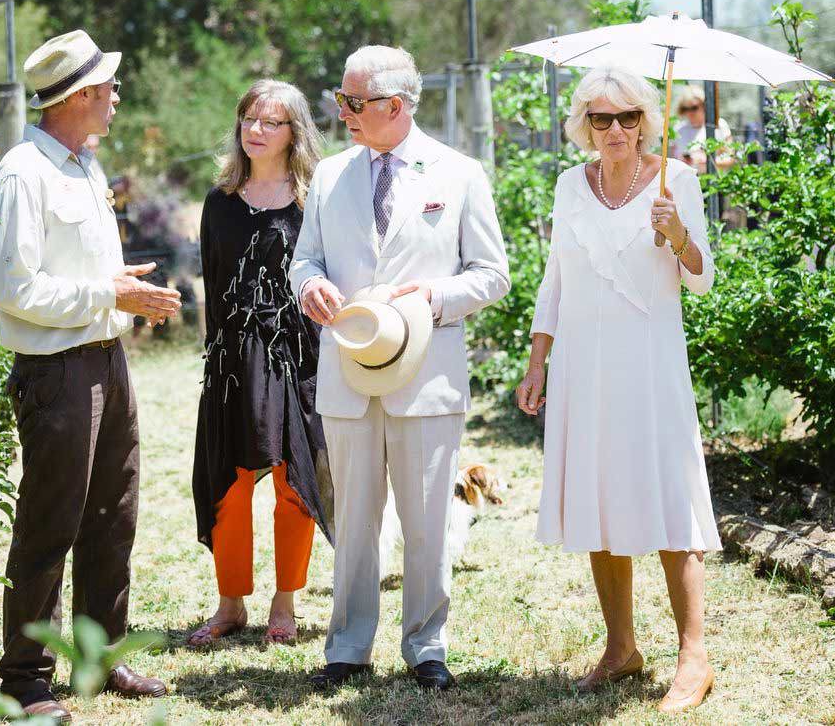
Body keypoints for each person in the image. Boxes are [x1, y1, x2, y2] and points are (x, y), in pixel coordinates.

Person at [290, 45, 509, 691]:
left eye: (354, 102)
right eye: (340, 98)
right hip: (350, 373)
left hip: (427, 374)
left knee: (427, 522)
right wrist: (309, 289)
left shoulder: (460, 173)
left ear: (396, 105)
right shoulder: (330, 175)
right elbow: (305, 260)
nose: (343, 112)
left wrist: (433, 300)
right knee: (354, 521)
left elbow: (493, 275)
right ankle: (349, 647)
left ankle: (427, 646)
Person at [0, 30, 181, 721]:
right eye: (109, 89)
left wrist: (119, 291)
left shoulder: (82, 167)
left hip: (104, 358)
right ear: (81, 97)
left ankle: (100, 656)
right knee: (50, 520)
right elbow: (13, 289)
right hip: (55, 369)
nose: (117, 99)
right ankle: (26, 677)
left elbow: (81, 275)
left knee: (112, 512)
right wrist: (111, 294)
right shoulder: (22, 174)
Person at [515, 66, 721, 715]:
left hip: (650, 363)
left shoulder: (676, 180)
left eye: (627, 117)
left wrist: (678, 233)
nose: (615, 130)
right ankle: (622, 647)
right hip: (585, 365)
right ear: (584, 125)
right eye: (601, 119)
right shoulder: (569, 185)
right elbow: (556, 277)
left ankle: (694, 658)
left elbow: (702, 278)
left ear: (645, 121)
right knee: (598, 499)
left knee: (668, 501)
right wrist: (538, 360)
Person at [188, 79, 333, 647]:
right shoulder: (218, 202)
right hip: (231, 362)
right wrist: (216, 358)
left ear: (293, 132)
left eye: (270, 122)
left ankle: (285, 604)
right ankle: (230, 605)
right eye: (248, 118)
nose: (255, 130)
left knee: (295, 483)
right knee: (231, 482)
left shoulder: (314, 198)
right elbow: (212, 280)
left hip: (299, 356)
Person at [672, 85, 733, 171]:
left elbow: (730, 158)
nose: (690, 112)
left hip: (713, 181)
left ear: (704, 105)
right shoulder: (678, 129)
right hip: (687, 181)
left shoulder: (719, 125)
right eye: (686, 108)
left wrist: (708, 161)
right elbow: (674, 160)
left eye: (694, 107)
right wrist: (683, 160)